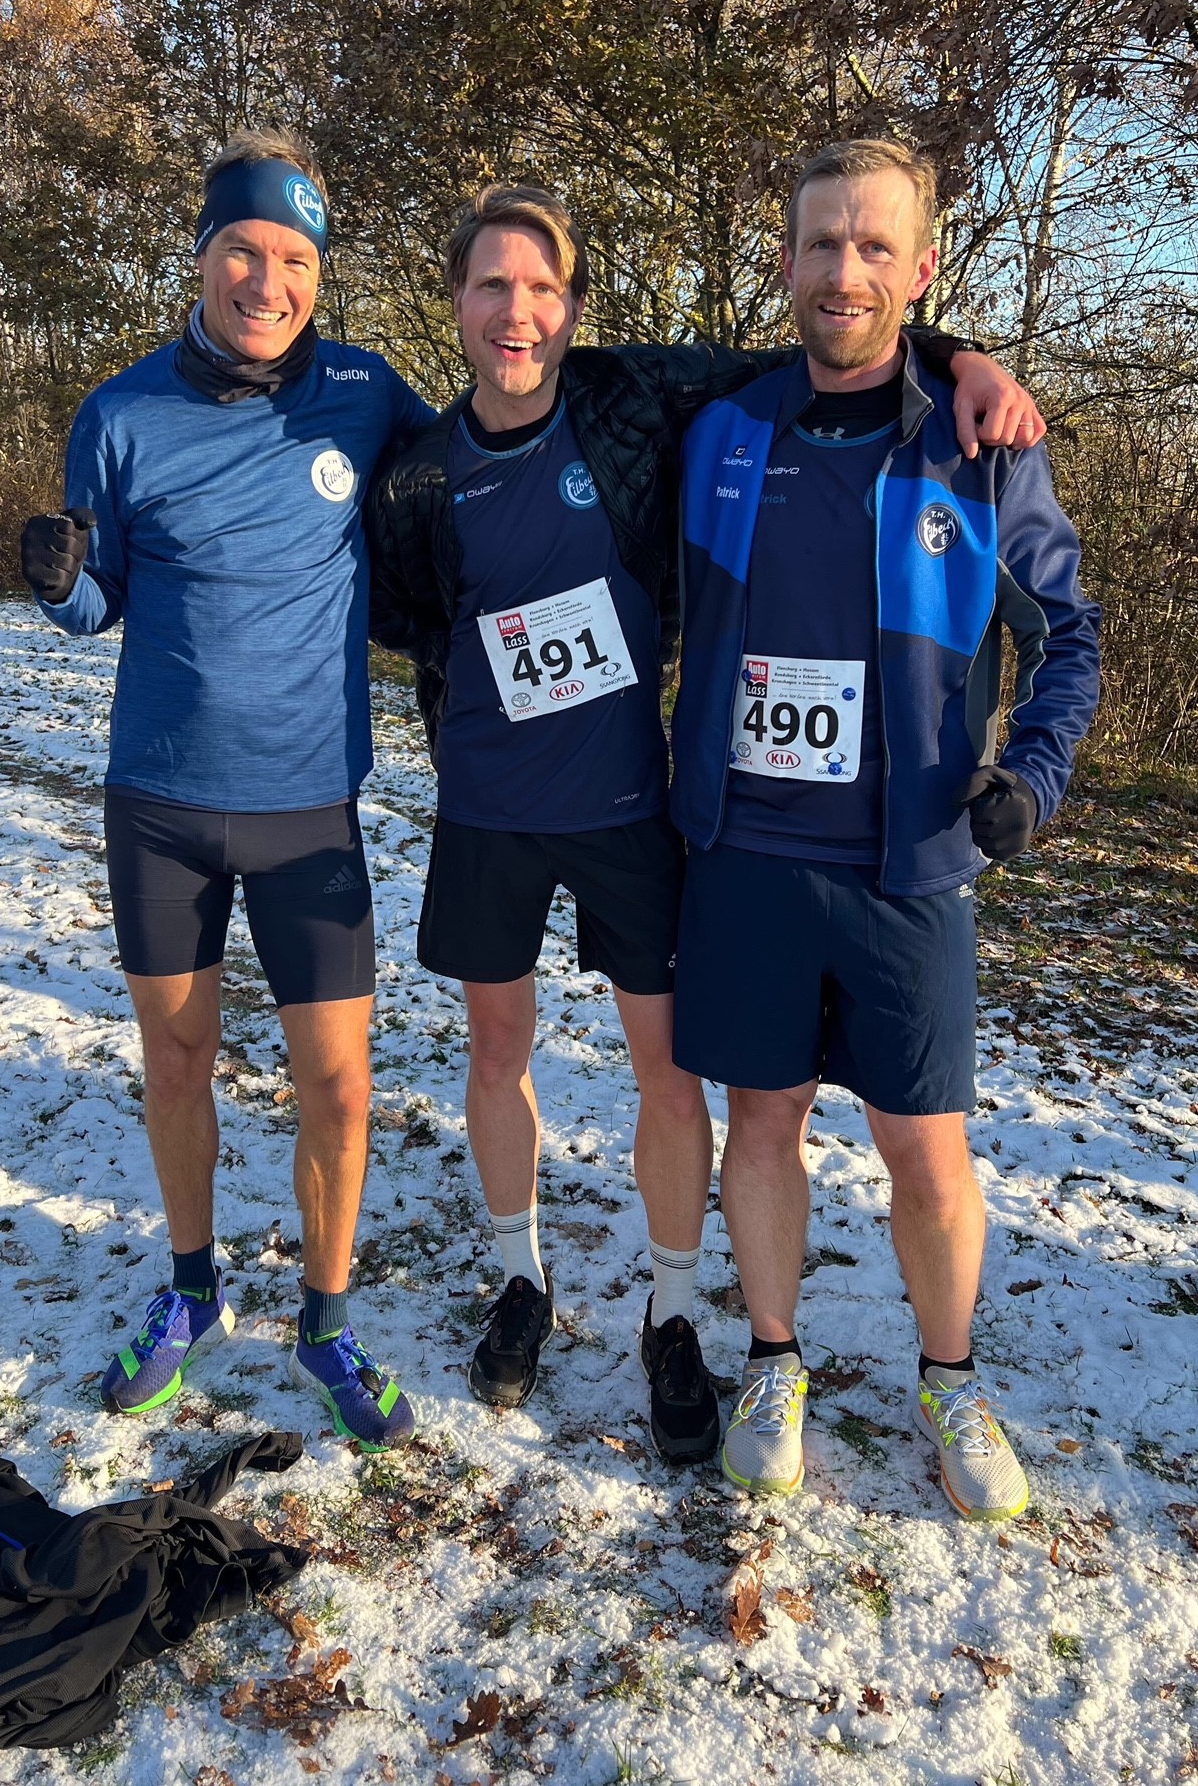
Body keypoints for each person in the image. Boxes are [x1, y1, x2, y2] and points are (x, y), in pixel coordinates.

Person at [367, 182, 1045, 1464]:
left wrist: (959, 351)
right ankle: (521, 1284)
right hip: (492, 817)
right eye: (491, 286)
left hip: (635, 809)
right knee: (494, 1050)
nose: (517, 311)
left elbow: (832, 347)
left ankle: (675, 1318)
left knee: (674, 1082)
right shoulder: (413, 466)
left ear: (572, 306)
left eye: (542, 287)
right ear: (454, 300)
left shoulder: (639, 405)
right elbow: (408, 617)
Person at [670, 138, 1101, 1512]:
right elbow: (549, 371)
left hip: (911, 860)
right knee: (762, 1121)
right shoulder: (721, 427)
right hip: (744, 854)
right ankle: (775, 1356)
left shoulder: (977, 446)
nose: (841, 271)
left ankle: (953, 1378)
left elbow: (1071, 638)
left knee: (927, 1148)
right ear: (784, 260)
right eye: (818, 244)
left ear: (922, 272)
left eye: (873, 248)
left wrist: (1030, 779)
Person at [19, 129, 433, 1452]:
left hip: (308, 805)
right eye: (244, 251)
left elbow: (499, 439)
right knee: (181, 1059)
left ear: (321, 273)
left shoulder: (365, 395)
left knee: (341, 1088)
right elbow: (101, 605)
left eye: (296, 258)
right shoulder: (121, 414)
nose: (268, 281)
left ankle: (324, 1320)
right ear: (201, 256)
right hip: (161, 807)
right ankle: (192, 1295)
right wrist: (59, 583)